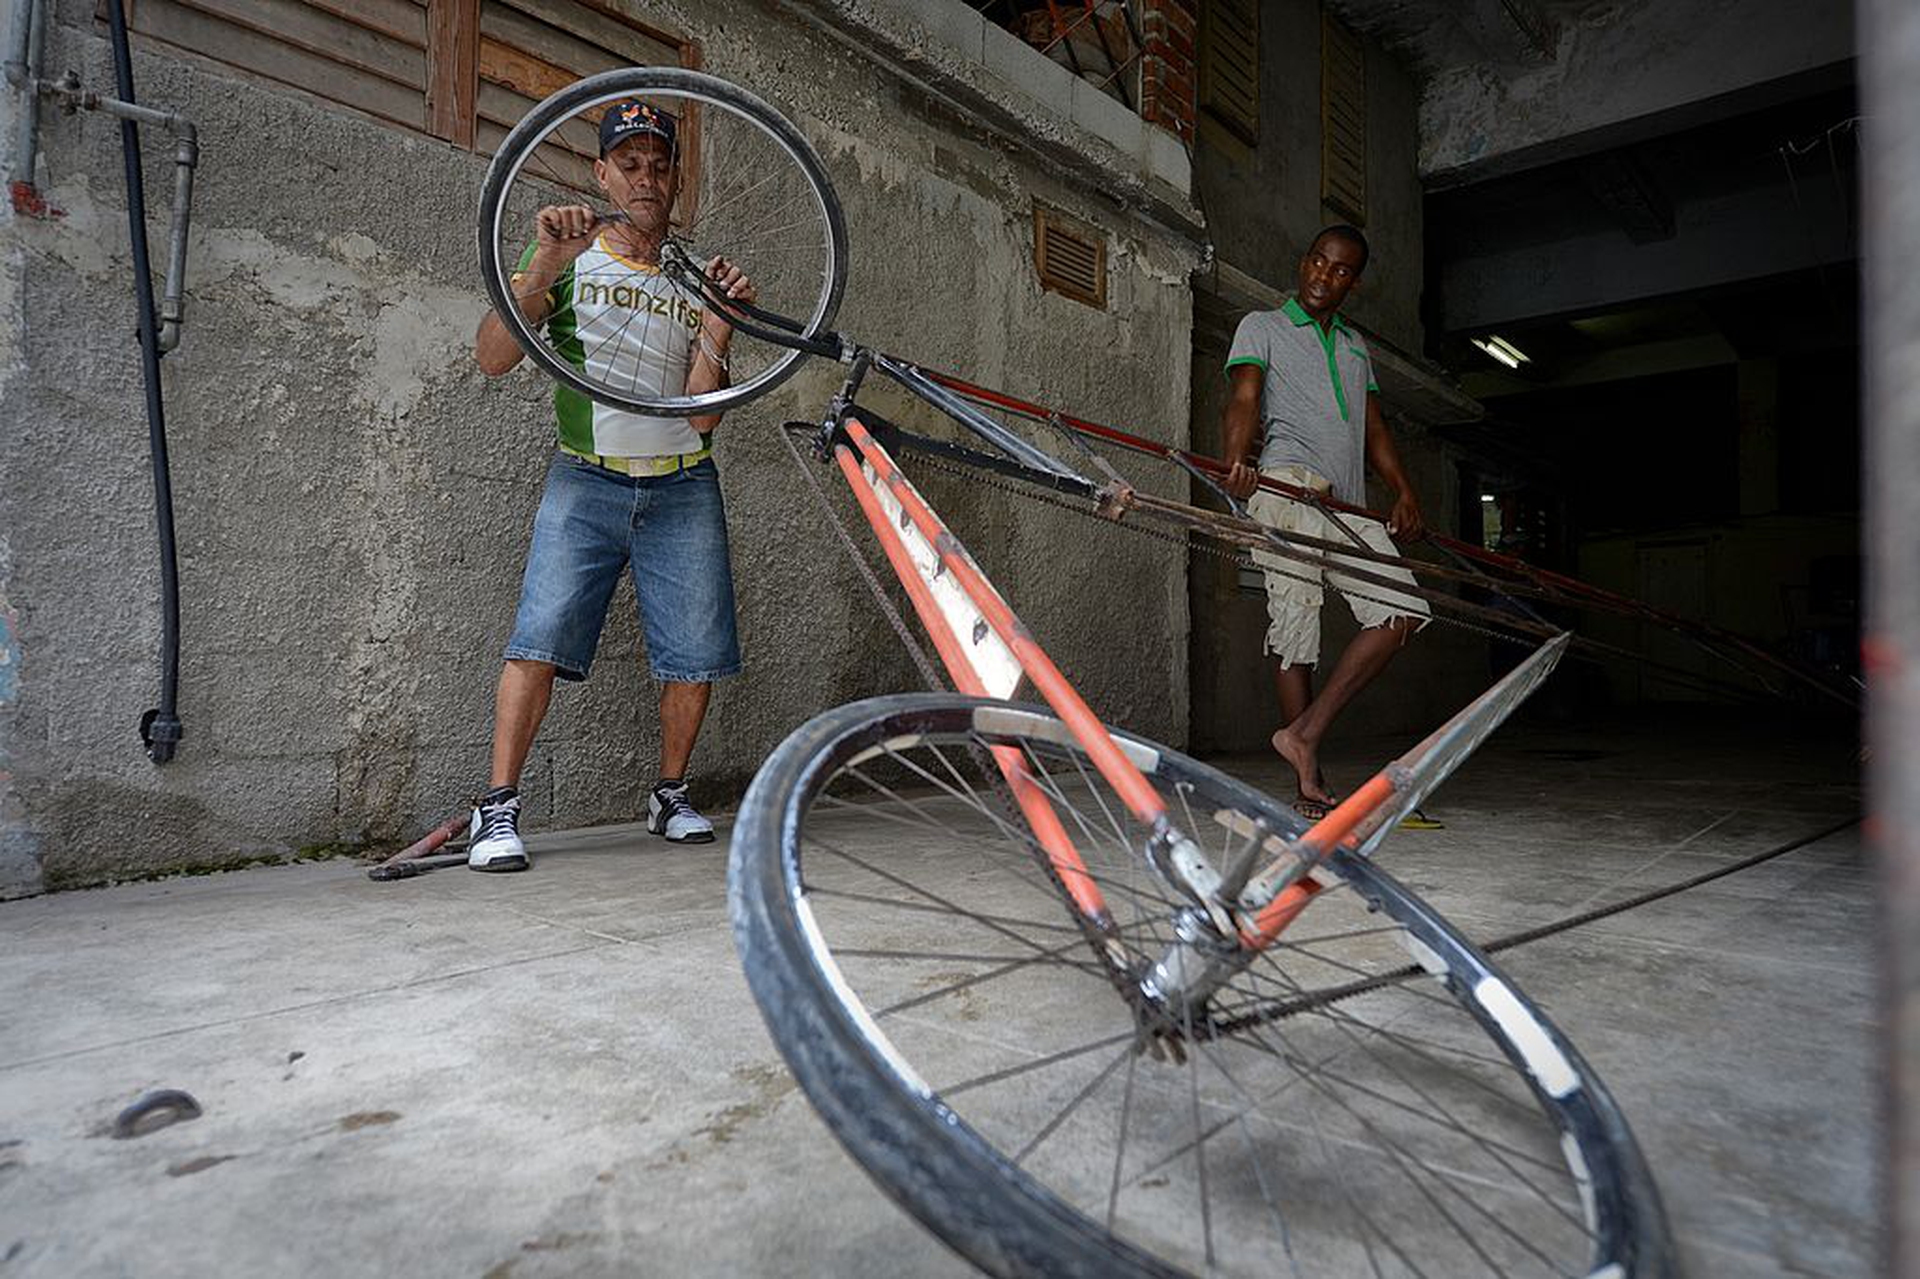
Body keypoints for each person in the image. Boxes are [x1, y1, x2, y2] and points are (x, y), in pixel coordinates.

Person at [463, 99, 755, 871]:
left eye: (659, 166)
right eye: (629, 165)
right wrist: (546, 262)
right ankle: (495, 809)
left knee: (694, 654)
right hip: (584, 476)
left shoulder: (692, 275)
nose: (645, 178)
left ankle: (668, 793)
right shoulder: (568, 255)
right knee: (538, 638)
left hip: (683, 483)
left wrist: (720, 326)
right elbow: (493, 356)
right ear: (601, 173)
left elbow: (703, 419)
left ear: (676, 182)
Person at [1221, 225, 1430, 819]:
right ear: (1305, 260)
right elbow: (1243, 398)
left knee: (1400, 610)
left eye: (1339, 270)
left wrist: (1406, 491)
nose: (1323, 275)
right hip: (1287, 488)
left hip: (1350, 504)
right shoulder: (1261, 326)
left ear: (1353, 282)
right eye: (1317, 261)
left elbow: (1374, 430)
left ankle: (1305, 733)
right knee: (1296, 637)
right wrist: (1237, 460)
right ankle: (1306, 774)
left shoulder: (1356, 347)